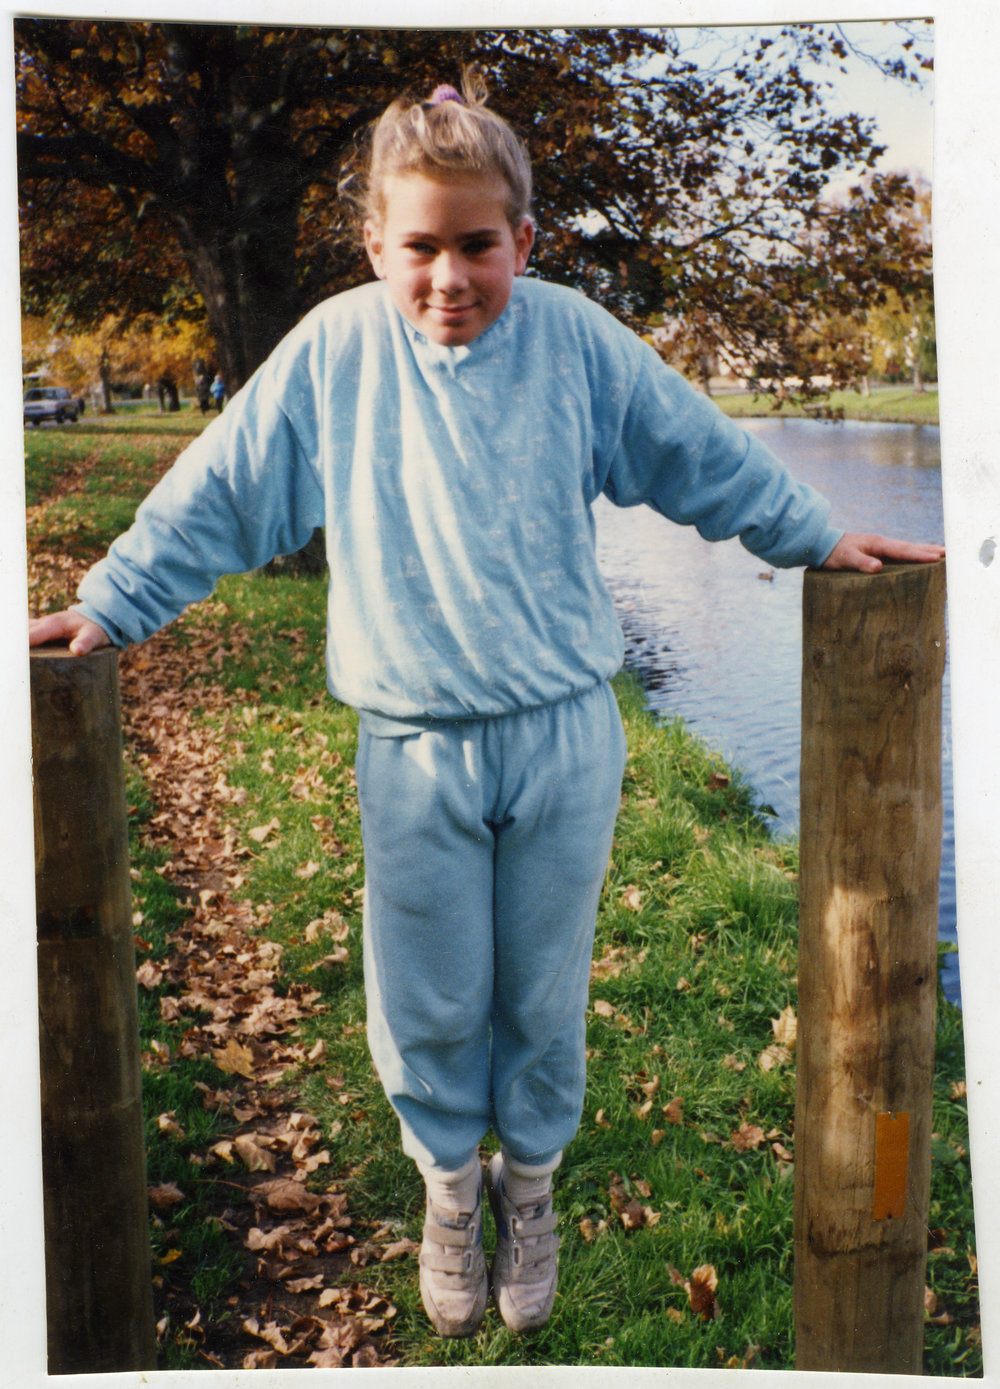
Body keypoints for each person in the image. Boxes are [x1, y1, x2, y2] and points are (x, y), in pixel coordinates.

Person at [28, 73, 944, 1340]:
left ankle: (533, 1183)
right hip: (412, 743)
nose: (448, 275)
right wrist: (115, 599)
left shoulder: (572, 340)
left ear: (524, 237)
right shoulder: (336, 351)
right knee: (432, 992)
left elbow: (693, 448)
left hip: (564, 732)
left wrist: (811, 533)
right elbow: (222, 487)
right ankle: (451, 1186)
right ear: (374, 246)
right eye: (420, 246)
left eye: (477, 244)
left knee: (539, 991)